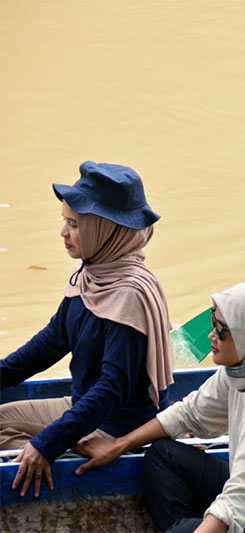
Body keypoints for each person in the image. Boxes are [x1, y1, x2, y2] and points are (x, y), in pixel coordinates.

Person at [75, 281, 245, 533]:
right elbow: (187, 413)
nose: (210, 336)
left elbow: (243, 496)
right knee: (163, 455)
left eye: (222, 330)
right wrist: (119, 445)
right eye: (212, 322)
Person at [0, 161, 174, 498]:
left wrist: (47, 444)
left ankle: (58, 456)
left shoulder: (129, 294)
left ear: (105, 231)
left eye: (75, 225)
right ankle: (61, 447)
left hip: (118, 425)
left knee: (35, 448)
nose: (64, 234)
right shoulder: (92, 275)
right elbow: (49, 343)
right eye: (65, 222)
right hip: (83, 405)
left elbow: (111, 389)